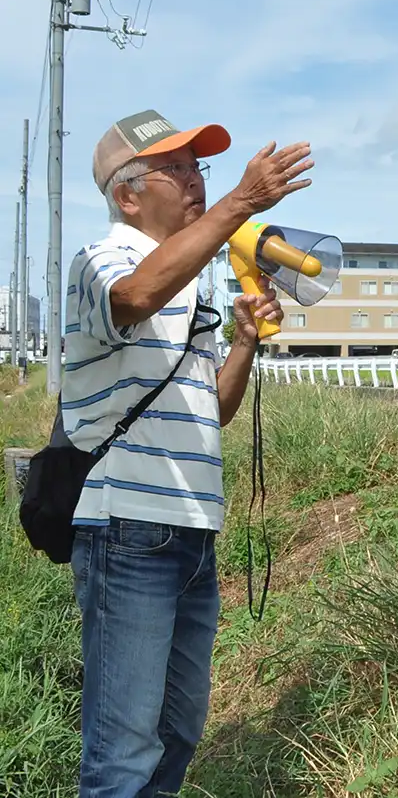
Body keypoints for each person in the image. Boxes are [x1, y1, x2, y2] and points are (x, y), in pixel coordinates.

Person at [64, 110, 311, 796]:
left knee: (178, 731)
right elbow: (135, 294)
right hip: (127, 529)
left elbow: (215, 412)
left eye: (199, 166)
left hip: (193, 531)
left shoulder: (193, 284)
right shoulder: (101, 260)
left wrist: (244, 341)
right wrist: (243, 203)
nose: (196, 179)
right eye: (177, 168)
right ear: (129, 193)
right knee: (123, 748)